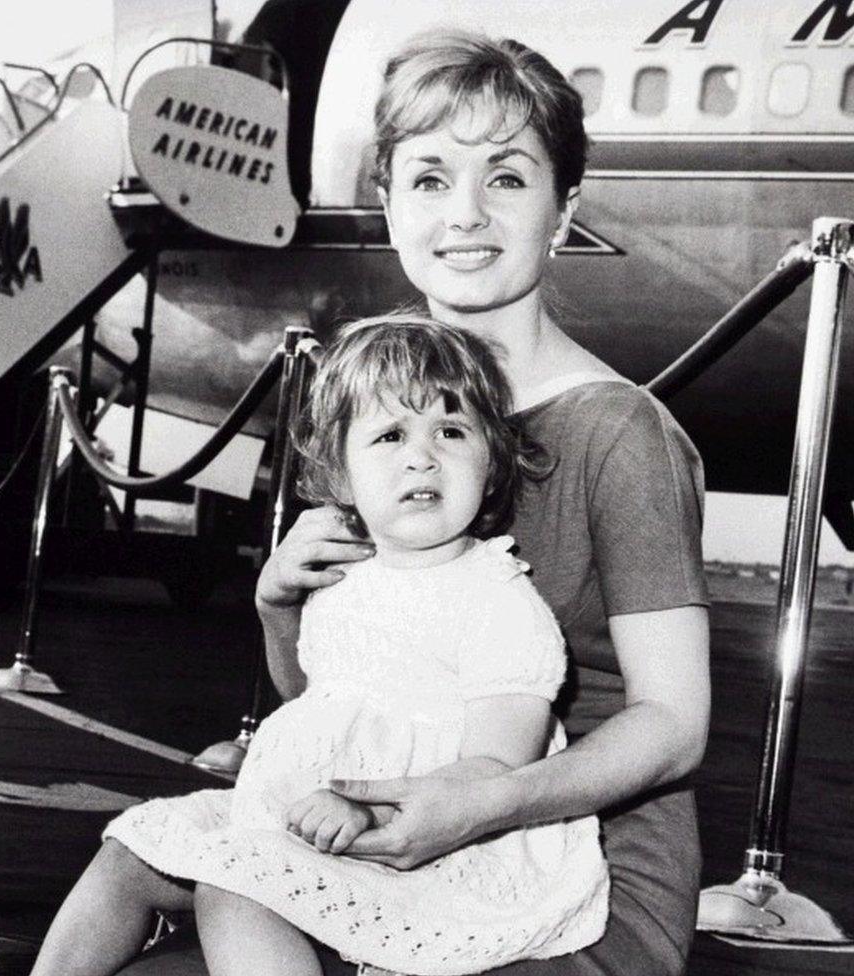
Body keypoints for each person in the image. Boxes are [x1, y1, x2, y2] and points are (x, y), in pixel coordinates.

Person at [255, 29, 710, 976]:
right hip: (398, 830)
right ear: (387, 204)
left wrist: (484, 804)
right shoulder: (379, 415)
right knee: (136, 872)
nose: (464, 212)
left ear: (563, 210)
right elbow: (333, 705)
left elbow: (674, 726)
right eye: (428, 179)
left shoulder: (620, 433)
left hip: (580, 873)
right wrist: (278, 604)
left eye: (505, 177)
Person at [28, 317, 608, 976]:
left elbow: (495, 767)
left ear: (493, 461)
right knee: (133, 847)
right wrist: (278, 610)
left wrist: (365, 804)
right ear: (339, 471)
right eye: (390, 435)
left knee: (234, 887)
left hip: (445, 843)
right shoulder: (346, 574)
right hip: (314, 815)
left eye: (450, 431)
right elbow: (315, 700)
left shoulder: (496, 600)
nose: (421, 456)